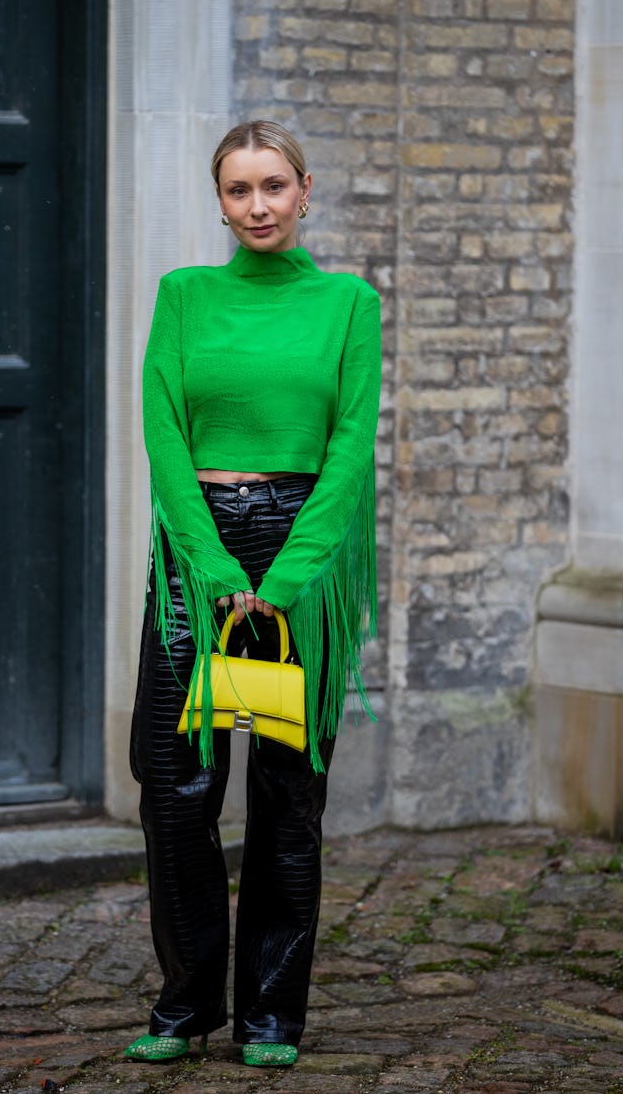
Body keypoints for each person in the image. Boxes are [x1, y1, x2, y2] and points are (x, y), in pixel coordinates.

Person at [126, 120, 382, 1068]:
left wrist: (284, 581)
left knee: (285, 792)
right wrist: (221, 571)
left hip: (299, 557)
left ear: (306, 191)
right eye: (239, 191)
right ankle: (187, 1004)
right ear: (221, 202)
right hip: (200, 556)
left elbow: (350, 451)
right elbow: (164, 440)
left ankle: (271, 1013)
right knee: (176, 784)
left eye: (274, 186)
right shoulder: (183, 298)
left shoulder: (349, 304)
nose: (258, 206)